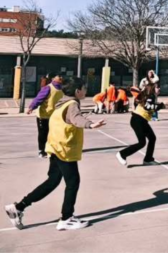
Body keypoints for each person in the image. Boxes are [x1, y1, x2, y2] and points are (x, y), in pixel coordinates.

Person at [5, 78, 106, 231]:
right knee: (73, 182)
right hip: (64, 150)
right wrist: (90, 124)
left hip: (54, 148)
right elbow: (76, 119)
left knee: (52, 182)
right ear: (77, 91)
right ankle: (66, 218)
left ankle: (18, 207)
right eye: (84, 88)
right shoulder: (72, 104)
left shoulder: (61, 104)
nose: (86, 91)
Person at [116, 82, 165, 166]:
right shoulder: (151, 96)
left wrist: (158, 106)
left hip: (141, 120)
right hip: (138, 120)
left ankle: (148, 159)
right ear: (153, 89)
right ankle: (122, 154)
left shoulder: (148, 96)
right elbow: (148, 107)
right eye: (158, 87)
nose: (159, 89)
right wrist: (160, 106)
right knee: (142, 142)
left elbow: (148, 106)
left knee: (152, 138)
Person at [26, 73, 64, 158]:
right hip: (44, 115)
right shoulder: (48, 87)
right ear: (53, 78)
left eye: (61, 76)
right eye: (59, 76)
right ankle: (41, 151)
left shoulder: (62, 88)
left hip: (55, 116)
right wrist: (31, 107)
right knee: (43, 134)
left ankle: (52, 150)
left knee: (54, 134)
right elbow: (39, 98)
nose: (61, 77)